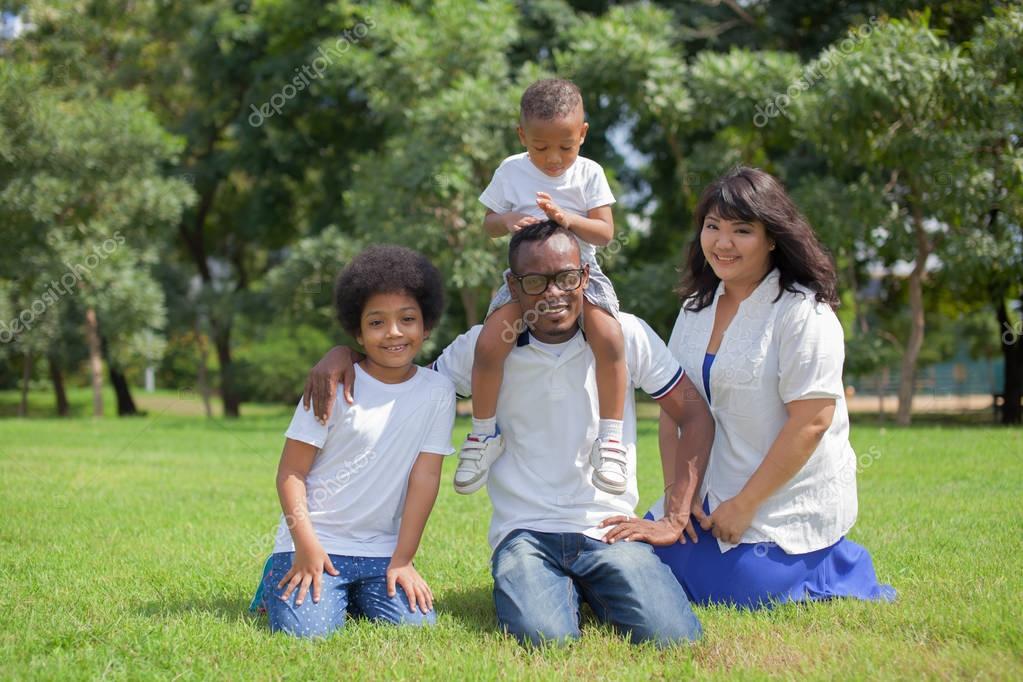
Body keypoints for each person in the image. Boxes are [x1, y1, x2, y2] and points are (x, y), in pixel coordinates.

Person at [304, 221, 714, 647]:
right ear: (512, 287)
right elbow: (408, 384)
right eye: (535, 281)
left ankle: (595, 585)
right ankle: (564, 589)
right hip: (525, 533)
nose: (553, 293)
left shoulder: (625, 334)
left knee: (673, 636)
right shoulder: (483, 346)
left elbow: (694, 414)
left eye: (566, 278)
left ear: (585, 278)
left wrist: (676, 515)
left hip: (607, 528)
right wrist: (344, 355)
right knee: (546, 639)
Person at [646, 166, 896, 608]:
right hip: (704, 500)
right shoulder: (694, 309)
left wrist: (745, 504)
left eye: (742, 230)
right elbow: (674, 410)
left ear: (773, 237)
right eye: (712, 227)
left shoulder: (804, 314)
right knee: (634, 560)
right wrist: (675, 502)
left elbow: (813, 422)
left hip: (774, 506)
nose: (722, 243)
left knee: (728, 590)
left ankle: (832, 564)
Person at [254, 245, 457, 638]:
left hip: (381, 554)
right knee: (308, 635)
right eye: (377, 322)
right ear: (357, 331)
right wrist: (306, 546)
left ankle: (356, 592)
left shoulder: (438, 391)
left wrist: (403, 560)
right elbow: (291, 472)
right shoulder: (329, 385)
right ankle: (275, 576)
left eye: (408, 319)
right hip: (315, 544)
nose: (394, 332)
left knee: (415, 629)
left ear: (427, 325)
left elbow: (425, 478)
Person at [456, 78, 630, 497]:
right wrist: (510, 221)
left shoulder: (590, 173)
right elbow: (488, 224)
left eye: (566, 147)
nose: (554, 159)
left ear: (583, 134)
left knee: (608, 337)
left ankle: (609, 438)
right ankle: (482, 434)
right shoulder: (511, 170)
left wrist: (568, 219)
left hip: (580, 274)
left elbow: (605, 232)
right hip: (526, 282)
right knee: (489, 344)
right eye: (541, 148)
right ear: (522, 137)